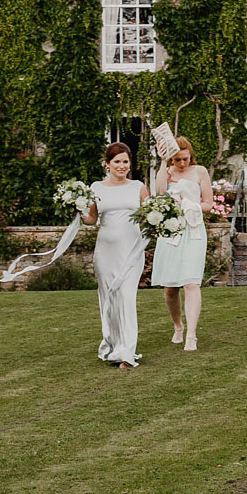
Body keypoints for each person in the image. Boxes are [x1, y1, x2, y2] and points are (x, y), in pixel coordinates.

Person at [81, 142, 150, 370]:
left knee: (126, 297)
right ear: (107, 164)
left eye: (125, 161)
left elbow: (150, 216)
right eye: (117, 161)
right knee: (109, 299)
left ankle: (126, 353)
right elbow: (91, 219)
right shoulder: (96, 188)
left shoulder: (139, 187)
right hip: (105, 251)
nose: (121, 166)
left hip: (131, 250)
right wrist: (77, 208)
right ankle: (112, 344)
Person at [151, 136, 213, 352]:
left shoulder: (200, 172)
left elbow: (208, 204)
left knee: (191, 283)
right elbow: (159, 193)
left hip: (193, 230)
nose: (182, 163)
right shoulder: (166, 173)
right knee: (170, 288)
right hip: (171, 231)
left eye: (185, 159)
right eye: (177, 160)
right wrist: (161, 163)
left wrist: (189, 205)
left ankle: (192, 336)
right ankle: (178, 325)